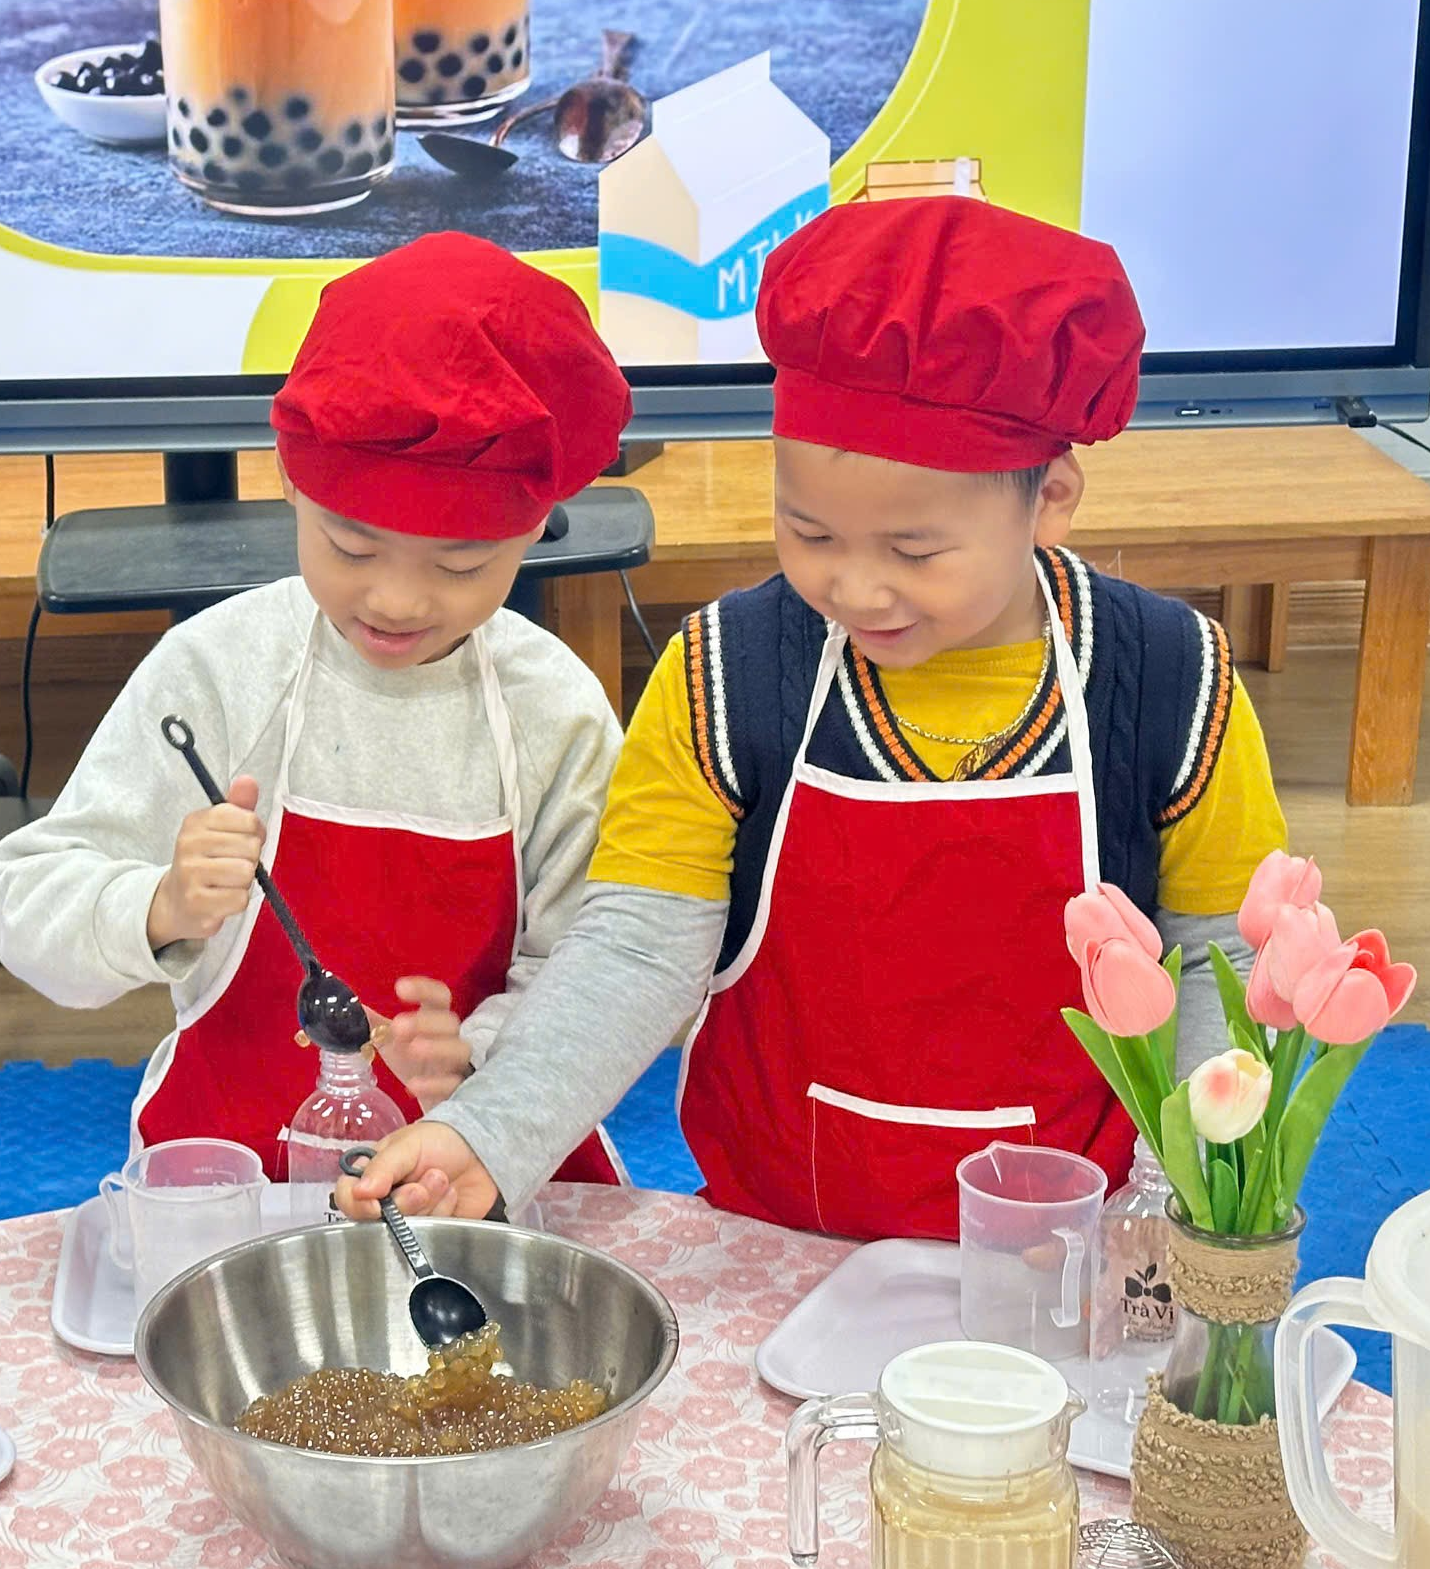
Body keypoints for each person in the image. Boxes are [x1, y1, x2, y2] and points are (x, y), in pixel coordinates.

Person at [340, 197, 1288, 1236]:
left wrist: (1188, 1196)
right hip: (778, 1229)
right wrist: (492, 1131)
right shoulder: (725, 672)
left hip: (1071, 1244)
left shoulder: (1170, 679)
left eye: (915, 551)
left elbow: (1219, 958)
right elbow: (641, 949)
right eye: (808, 530)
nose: (856, 587)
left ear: (1051, 494)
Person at [0, 233, 633, 1183]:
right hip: (231, 1169)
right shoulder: (220, 668)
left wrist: (484, 1051)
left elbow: (599, 973)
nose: (398, 602)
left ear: (535, 528)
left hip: (486, 1159)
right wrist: (155, 905)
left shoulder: (555, 712)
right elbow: (22, 904)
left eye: (461, 565)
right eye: (352, 548)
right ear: (290, 480)